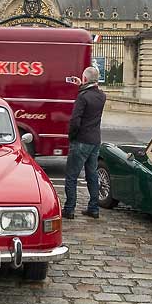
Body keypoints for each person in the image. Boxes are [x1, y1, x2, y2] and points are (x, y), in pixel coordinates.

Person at [62, 66, 106, 220]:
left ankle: (69, 209)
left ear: (85, 79)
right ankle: (94, 208)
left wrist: (71, 136)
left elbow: (75, 120)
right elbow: (92, 91)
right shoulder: (102, 96)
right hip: (95, 140)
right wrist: (83, 84)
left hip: (81, 140)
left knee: (71, 176)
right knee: (92, 175)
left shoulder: (82, 97)